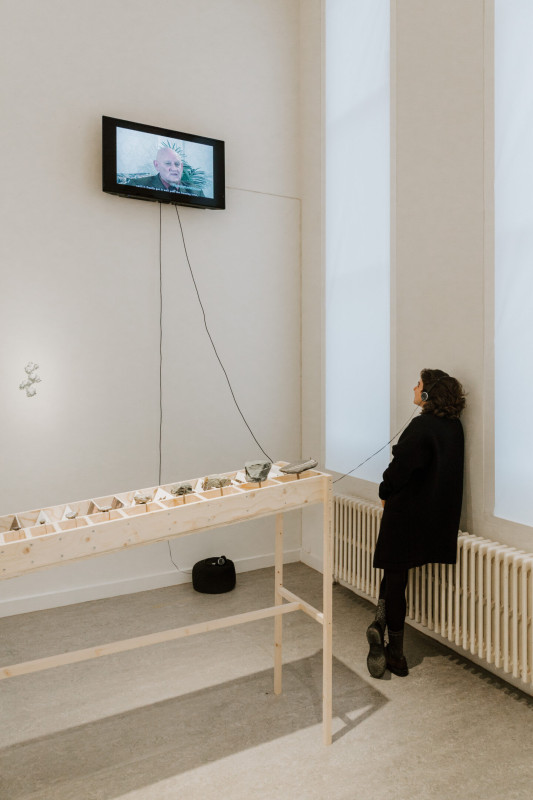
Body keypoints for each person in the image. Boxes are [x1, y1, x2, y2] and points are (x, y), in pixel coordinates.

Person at [366, 368, 466, 679]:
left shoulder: (421, 426)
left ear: (427, 393)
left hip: (404, 515)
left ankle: (396, 654)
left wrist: (384, 491)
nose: (413, 388)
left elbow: (399, 469)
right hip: (432, 517)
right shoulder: (454, 427)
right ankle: (379, 624)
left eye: (418, 384)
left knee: (395, 578)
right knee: (394, 573)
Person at [127, 147, 205, 196]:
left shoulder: (196, 191)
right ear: (157, 165)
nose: (174, 168)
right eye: (168, 163)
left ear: (181, 167)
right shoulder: (137, 185)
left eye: (177, 164)